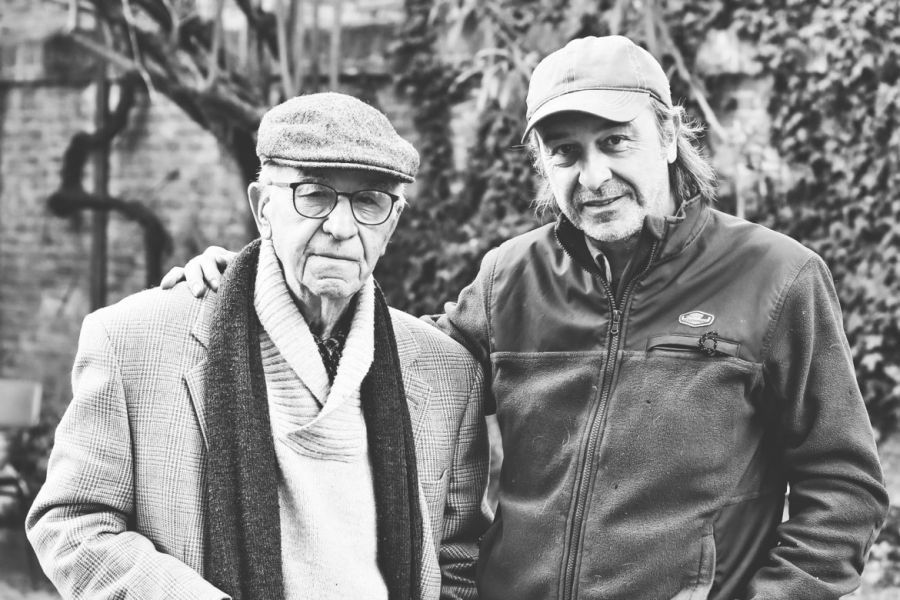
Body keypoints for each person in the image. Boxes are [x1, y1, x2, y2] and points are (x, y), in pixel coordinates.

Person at [162, 36, 889, 600]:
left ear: (668, 135)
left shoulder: (777, 278)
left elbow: (844, 488)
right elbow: (389, 365)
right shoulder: (510, 277)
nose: (593, 176)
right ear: (541, 162)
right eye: (565, 152)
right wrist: (256, 285)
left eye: (616, 142)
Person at [26, 93, 491, 600]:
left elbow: (459, 562)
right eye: (313, 194)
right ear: (263, 207)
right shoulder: (133, 340)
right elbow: (74, 524)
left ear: (393, 222)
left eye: (370, 201)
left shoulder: (447, 372)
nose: (341, 227)